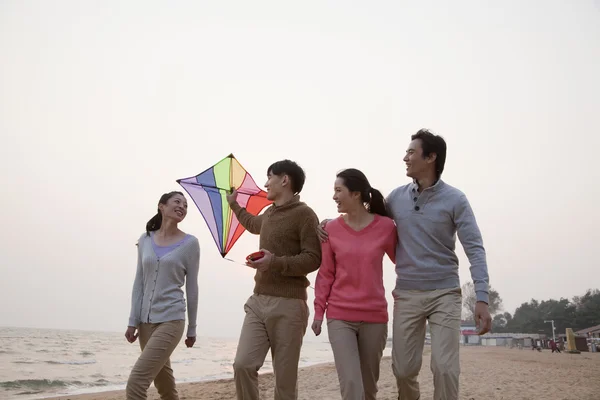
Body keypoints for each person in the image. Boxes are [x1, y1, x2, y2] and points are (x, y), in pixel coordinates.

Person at [318, 129, 492, 400]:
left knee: (445, 368)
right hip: (407, 295)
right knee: (403, 370)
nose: (405, 157)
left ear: (431, 157)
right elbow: (362, 219)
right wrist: (328, 224)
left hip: (444, 293)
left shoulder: (456, 199)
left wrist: (482, 296)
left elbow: (475, 249)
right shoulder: (396, 199)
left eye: (411, 152)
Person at [226, 159, 322, 400]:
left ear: (284, 180)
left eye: (269, 177)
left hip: (289, 305)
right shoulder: (269, 214)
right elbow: (251, 223)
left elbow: (313, 258)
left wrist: (274, 262)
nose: (266, 183)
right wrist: (234, 204)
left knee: (285, 382)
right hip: (258, 301)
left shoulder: (305, 214)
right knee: (243, 365)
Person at [311, 168, 397, 400]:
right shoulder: (330, 229)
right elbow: (326, 273)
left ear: (356, 194)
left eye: (339, 190)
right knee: (351, 384)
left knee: (368, 389)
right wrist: (319, 312)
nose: (334, 196)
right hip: (340, 316)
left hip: (374, 317)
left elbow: (403, 263)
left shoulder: (386, 227)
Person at [125, 191, 200, 400]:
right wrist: (132, 321)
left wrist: (192, 327)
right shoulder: (145, 240)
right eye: (177, 202)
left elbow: (192, 287)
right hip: (145, 322)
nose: (182, 207)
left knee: (136, 384)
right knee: (164, 385)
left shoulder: (190, 243)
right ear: (162, 206)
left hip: (172, 319)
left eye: (185, 205)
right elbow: (139, 282)